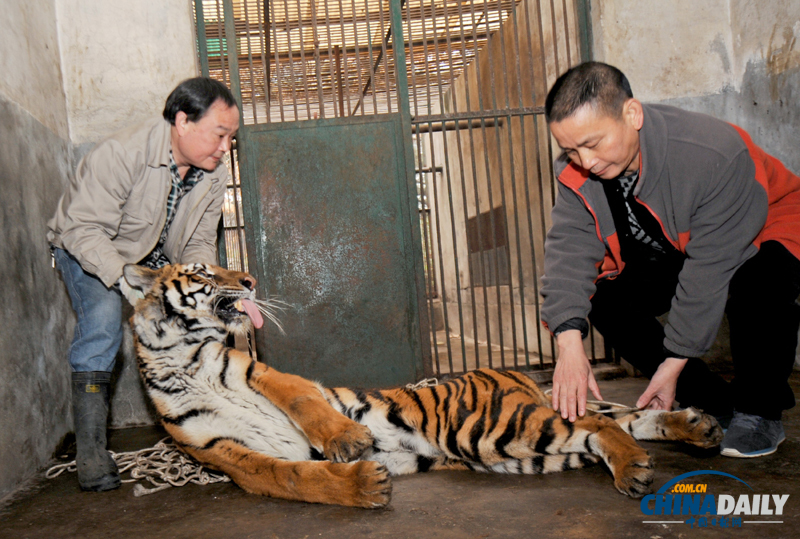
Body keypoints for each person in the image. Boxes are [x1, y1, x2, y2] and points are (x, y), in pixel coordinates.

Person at [540, 61, 800, 459]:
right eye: (571, 150)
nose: (585, 161)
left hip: (767, 226)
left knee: (760, 283)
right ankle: (714, 401)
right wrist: (569, 342)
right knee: (606, 299)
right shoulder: (577, 174)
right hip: (677, 243)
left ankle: (759, 410)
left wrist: (674, 359)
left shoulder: (711, 151)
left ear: (632, 114)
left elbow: (709, 269)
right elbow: (568, 250)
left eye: (592, 143)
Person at [47, 77, 239, 490]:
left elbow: (198, 242)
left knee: (200, 321)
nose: (225, 147)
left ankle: (210, 433)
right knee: (102, 325)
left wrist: (209, 286)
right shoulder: (121, 154)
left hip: (150, 253)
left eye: (231, 138)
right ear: (183, 122)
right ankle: (91, 453)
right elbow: (82, 230)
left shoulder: (213, 173)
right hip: (89, 245)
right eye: (220, 134)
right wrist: (123, 279)